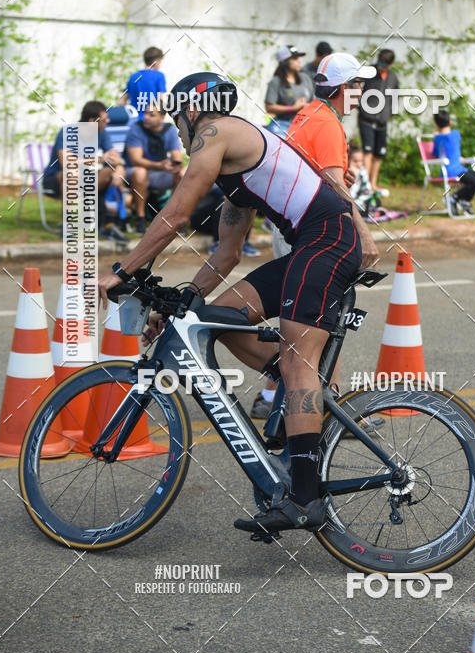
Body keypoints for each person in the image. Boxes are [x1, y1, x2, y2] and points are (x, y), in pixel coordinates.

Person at [98, 68, 378, 536]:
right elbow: (226, 253)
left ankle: (305, 498)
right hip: (312, 243)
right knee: (221, 320)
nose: (179, 133)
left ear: (191, 110)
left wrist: (123, 271)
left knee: (296, 363)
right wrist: (185, 300)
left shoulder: (216, 131)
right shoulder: (237, 168)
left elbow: (177, 213)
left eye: (177, 121)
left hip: (328, 241)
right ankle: (303, 396)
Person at [251, 53, 380, 419]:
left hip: (296, 223)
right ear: (345, 89)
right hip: (309, 230)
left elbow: (322, 173)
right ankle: (322, 406)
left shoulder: (313, 113)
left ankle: (301, 399)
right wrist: (364, 234)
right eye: (359, 84)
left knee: (315, 319)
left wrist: (336, 178)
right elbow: (333, 182)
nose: (363, 91)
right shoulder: (325, 122)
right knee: (320, 320)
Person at [42, 100, 128, 242]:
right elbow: (67, 162)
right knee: (73, 173)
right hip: (57, 179)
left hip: (86, 180)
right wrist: (100, 159)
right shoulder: (68, 132)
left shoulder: (102, 133)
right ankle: (68, 224)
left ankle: (108, 223)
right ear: (92, 121)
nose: (108, 121)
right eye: (105, 119)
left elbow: (114, 157)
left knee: (111, 172)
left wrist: (119, 168)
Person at [124, 101, 185, 235]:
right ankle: (140, 218)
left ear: (162, 118)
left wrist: (175, 165)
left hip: (159, 173)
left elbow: (177, 157)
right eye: (145, 113)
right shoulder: (136, 128)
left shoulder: (169, 130)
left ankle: (175, 217)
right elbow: (135, 160)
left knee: (182, 174)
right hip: (134, 172)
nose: (146, 117)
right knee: (140, 172)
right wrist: (161, 165)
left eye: (151, 115)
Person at [358, 49, 398, 195]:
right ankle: (366, 185)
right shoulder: (368, 73)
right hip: (366, 119)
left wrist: (389, 114)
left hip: (382, 121)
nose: (381, 67)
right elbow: (356, 89)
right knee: (367, 152)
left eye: (384, 65)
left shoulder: (393, 77)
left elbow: (395, 98)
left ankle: (373, 184)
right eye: (380, 63)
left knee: (378, 154)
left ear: (391, 64)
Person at [432, 109, 475, 215]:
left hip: (459, 170)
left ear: (436, 125)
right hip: (453, 172)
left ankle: (463, 200)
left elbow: (436, 154)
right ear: (450, 122)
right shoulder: (456, 134)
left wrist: (437, 135)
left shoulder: (437, 139)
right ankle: (454, 198)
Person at [264, 45, 313, 138]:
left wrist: (307, 107)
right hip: (282, 126)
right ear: (284, 61)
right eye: (294, 58)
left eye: (298, 58)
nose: (299, 61)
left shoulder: (305, 78)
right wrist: (292, 108)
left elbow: (312, 102)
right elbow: (269, 107)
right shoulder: (276, 81)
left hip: (304, 125)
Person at [121, 47, 167, 119]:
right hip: (150, 120)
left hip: (134, 119)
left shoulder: (133, 76)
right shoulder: (159, 76)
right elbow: (160, 101)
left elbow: (122, 101)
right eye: (160, 61)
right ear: (157, 61)